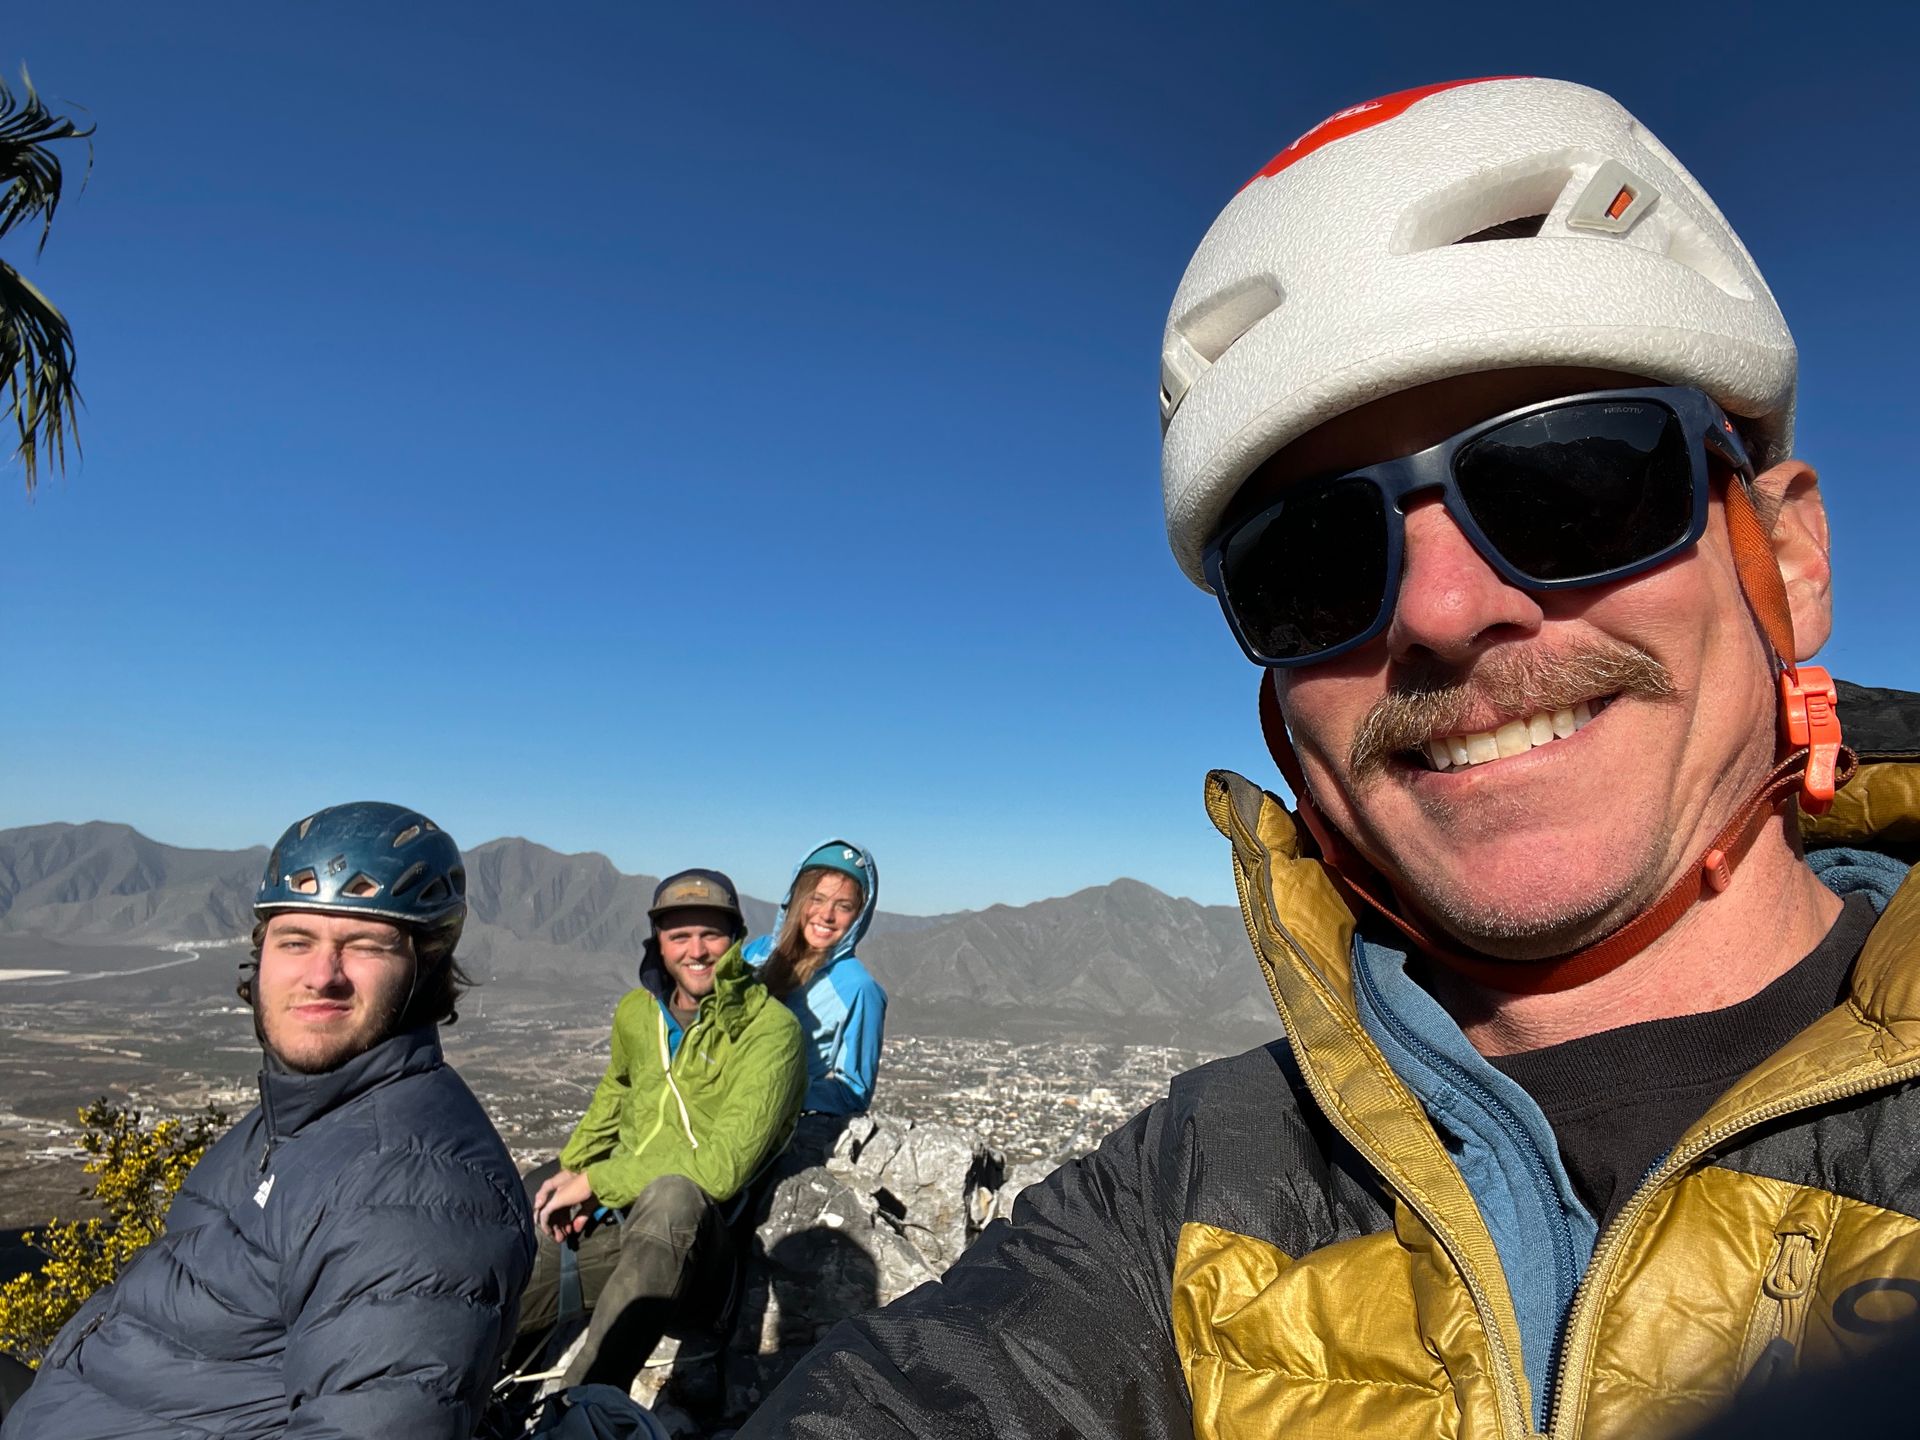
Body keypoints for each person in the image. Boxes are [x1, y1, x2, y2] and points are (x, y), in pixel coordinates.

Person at [743, 77, 1920, 1439]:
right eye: (1314, 560)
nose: (1441, 608)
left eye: (1571, 481)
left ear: (1785, 556)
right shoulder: (1191, 1192)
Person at [2, 801, 535, 1440]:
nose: (321, 976)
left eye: (364, 945)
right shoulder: (296, 1120)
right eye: (295, 941)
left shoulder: (412, 1189)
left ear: (424, 971)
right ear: (261, 958)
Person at [510, 869, 805, 1395]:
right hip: (625, 1226)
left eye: (711, 934)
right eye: (679, 936)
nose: (697, 950)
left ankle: (580, 1410)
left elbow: (719, 1171)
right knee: (506, 1264)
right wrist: (576, 1166)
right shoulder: (638, 1012)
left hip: (701, 1250)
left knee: (673, 1196)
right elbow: (617, 1092)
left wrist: (599, 1182)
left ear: (736, 941)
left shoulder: (770, 1033)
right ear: (659, 945)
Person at [744, 839, 885, 1119]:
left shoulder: (859, 988)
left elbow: (852, 1092)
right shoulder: (757, 952)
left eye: (843, 906)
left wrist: (780, 1094)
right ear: (797, 898)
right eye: (816, 899)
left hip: (768, 1121)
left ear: (859, 916)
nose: (827, 915)